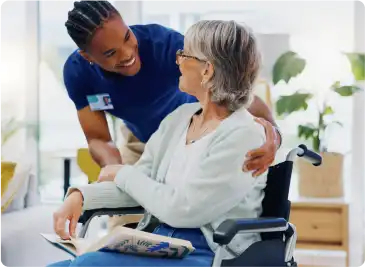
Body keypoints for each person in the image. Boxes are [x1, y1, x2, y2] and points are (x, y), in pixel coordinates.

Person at [49, 19, 267, 267]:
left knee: (85, 265)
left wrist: (122, 173)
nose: (177, 61)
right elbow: (140, 184)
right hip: (164, 243)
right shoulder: (179, 119)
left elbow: (183, 209)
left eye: (184, 55)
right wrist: (82, 196)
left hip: (209, 252)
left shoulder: (242, 135)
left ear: (207, 70)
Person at [63, 0, 281, 179]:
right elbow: (99, 139)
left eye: (128, 37)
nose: (128, 54)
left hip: (192, 137)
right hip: (140, 142)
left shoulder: (167, 46)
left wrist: (273, 136)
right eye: (111, 53)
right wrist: (115, 172)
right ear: (88, 57)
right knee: (124, 222)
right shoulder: (77, 73)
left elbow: (234, 91)